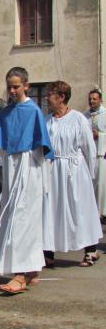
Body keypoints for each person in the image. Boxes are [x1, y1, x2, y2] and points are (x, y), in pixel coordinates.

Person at [0, 67, 53, 294]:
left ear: (26, 85)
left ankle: (21, 273)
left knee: (24, 217)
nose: (12, 91)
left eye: (16, 86)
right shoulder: (6, 112)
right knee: (14, 215)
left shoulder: (33, 110)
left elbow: (42, 146)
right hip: (11, 165)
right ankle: (31, 268)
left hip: (29, 166)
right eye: (9, 87)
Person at [43, 81, 102, 267]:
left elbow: (89, 148)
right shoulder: (47, 120)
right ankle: (48, 252)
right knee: (51, 211)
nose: (46, 98)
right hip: (53, 170)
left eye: (50, 94)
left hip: (74, 171)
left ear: (61, 97)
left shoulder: (78, 119)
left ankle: (91, 250)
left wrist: (90, 175)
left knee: (80, 210)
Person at [84, 88, 106, 224]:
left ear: (100, 100)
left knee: (102, 185)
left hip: (102, 155)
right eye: (90, 99)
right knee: (89, 184)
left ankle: (102, 213)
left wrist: (100, 135)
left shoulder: (105, 114)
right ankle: (91, 212)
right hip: (88, 155)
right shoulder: (84, 116)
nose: (91, 101)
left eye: (94, 99)